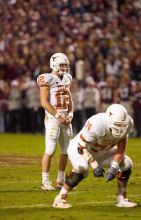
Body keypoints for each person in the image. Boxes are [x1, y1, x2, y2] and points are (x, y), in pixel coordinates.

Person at [52, 104, 137, 208]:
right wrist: (95, 165)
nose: (120, 128)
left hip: (102, 151)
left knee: (127, 163)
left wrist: (114, 167)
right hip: (80, 149)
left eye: (122, 125)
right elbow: (82, 146)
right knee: (82, 168)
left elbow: (121, 148)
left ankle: (121, 198)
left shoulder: (129, 123)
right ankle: (60, 198)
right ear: (109, 120)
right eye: (117, 125)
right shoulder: (97, 123)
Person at [37, 52, 73, 190]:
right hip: (53, 118)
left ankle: (60, 181)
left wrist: (70, 113)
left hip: (65, 118)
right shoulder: (46, 78)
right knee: (50, 149)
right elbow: (44, 102)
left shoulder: (67, 78)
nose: (64, 68)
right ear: (54, 64)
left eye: (66, 65)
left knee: (65, 151)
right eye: (62, 65)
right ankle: (45, 181)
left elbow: (70, 99)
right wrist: (59, 115)